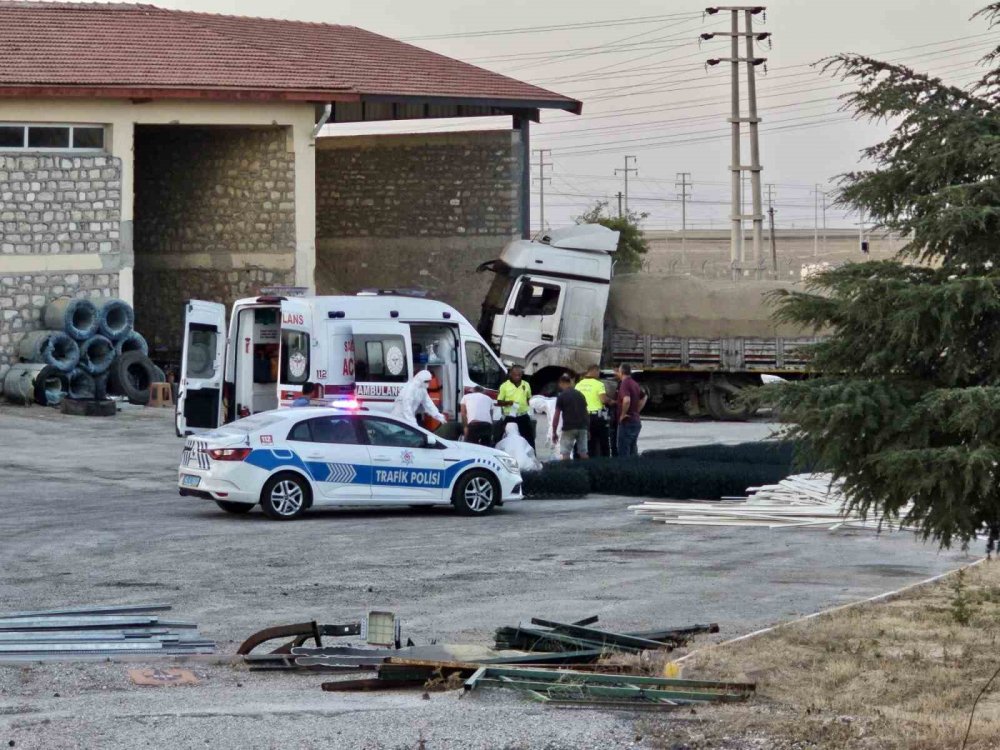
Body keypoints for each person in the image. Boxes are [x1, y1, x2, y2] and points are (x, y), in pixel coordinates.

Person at [550, 373, 589, 461]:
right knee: (583, 453)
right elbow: (586, 413)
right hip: (582, 427)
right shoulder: (581, 395)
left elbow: (556, 415)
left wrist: (554, 432)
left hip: (568, 428)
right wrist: (587, 428)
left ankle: (567, 472)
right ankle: (588, 471)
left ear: (561, 383)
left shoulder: (562, 396)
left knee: (565, 453)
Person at [575, 364, 611, 458]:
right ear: (595, 371)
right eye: (598, 372)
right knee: (603, 442)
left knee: (587, 442)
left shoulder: (579, 385)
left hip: (582, 418)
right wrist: (611, 401)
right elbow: (603, 400)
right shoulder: (599, 384)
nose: (599, 374)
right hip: (596, 418)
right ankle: (605, 462)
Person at [497, 365, 535, 449]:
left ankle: (532, 457)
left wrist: (531, 408)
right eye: (515, 375)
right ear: (510, 374)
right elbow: (499, 402)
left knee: (529, 437)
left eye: (519, 375)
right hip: (510, 416)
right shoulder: (504, 386)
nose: (517, 377)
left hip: (522, 415)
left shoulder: (526, 385)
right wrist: (508, 403)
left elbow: (529, 399)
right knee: (501, 436)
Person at [614, 363, 645, 457]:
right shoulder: (634, 383)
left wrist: (623, 414)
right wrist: (636, 411)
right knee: (633, 450)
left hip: (627, 422)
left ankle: (625, 470)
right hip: (636, 421)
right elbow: (644, 397)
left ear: (621, 372)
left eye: (618, 372)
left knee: (624, 451)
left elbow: (626, 400)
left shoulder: (625, 383)